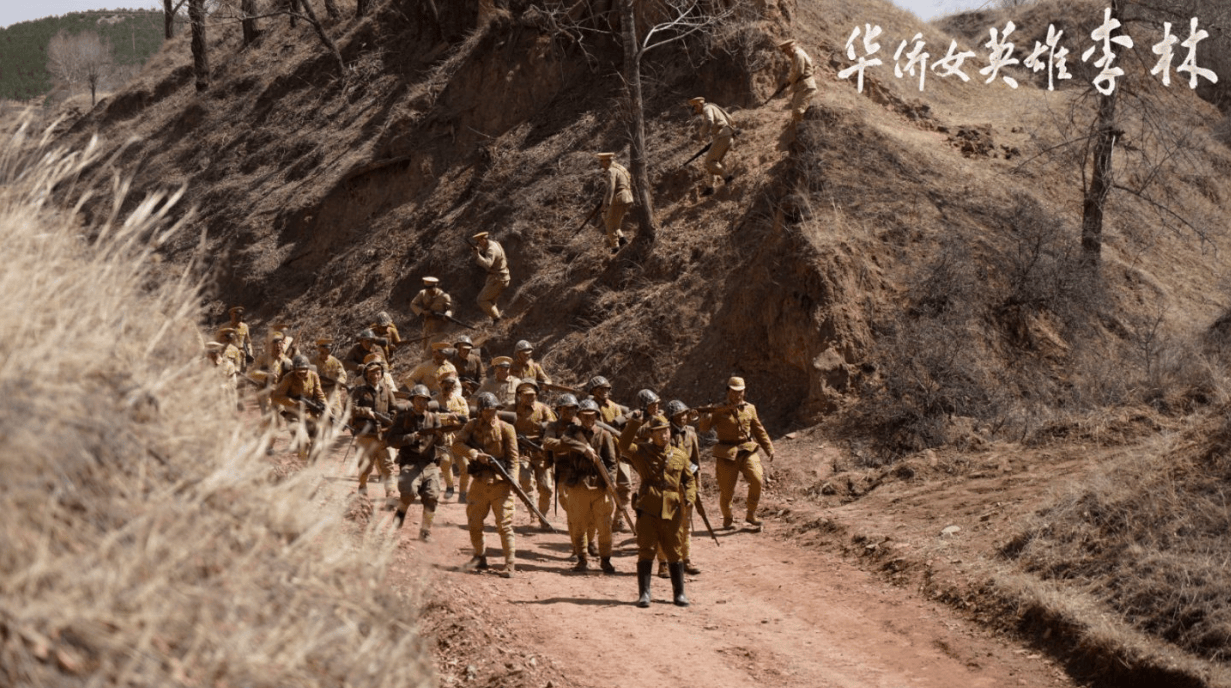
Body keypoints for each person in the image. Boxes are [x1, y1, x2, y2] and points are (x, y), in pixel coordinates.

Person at [618, 415, 696, 607]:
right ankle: (644, 594)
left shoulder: (680, 455)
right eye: (659, 432)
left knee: (675, 550)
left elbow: (689, 479)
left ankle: (679, 594)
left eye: (666, 431)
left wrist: (690, 497)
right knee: (646, 549)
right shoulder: (641, 451)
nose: (664, 435)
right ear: (651, 434)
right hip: (648, 507)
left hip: (672, 509)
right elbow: (623, 446)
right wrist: (634, 423)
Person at [453, 392, 520, 578]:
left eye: (494, 410)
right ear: (480, 411)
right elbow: (456, 444)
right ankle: (479, 557)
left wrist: (513, 480)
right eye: (488, 410)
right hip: (479, 481)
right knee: (474, 522)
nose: (492, 414)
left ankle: (510, 564)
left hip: (500, 483)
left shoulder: (506, 428)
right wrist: (475, 454)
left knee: (504, 524)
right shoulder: (471, 426)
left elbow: (514, 458)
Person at [697, 376, 774, 532]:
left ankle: (751, 514)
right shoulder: (718, 409)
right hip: (726, 452)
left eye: (740, 392)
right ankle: (728, 517)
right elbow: (704, 428)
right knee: (727, 490)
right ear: (728, 391)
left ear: (744, 392)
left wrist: (769, 448)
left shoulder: (750, 408)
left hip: (747, 449)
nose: (737, 395)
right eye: (734, 391)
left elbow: (758, 429)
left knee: (757, 478)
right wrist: (705, 417)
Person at [558, 399, 619, 574]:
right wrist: (583, 448)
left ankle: (605, 560)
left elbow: (612, 463)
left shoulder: (604, 435)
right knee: (578, 525)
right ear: (579, 416)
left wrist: (610, 481)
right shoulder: (572, 432)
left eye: (591, 416)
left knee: (604, 526)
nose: (588, 419)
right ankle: (582, 559)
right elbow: (563, 441)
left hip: (600, 485)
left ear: (596, 416)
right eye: (584, 416)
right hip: (578, 484)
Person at [387, 384, 445, 540]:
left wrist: (441, 436)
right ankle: (398, 520)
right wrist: (412, 437)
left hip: (429, 463)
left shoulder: (434, 418)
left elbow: (441, 443)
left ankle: (425, 531)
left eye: (425, 400)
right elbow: (391, 440)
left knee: (432, 496)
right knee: (408, 493)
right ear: (412, 400)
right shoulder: (402, 418)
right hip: (409, 462)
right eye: (418, 399)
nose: (422, 403)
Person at [542, 394, 594, 559]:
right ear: (559, 410)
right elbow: (547, 442)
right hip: (564, 472)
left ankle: (588, 542)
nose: (569, 412)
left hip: (583, 471)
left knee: (590, 510)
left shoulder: (581, 423)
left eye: (572, 409)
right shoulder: (553, 426)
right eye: (565, 409)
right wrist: (570, 445)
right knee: (572, 511)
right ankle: (577, 547)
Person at [658, 399, 703, 576]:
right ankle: (663, 563)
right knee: (665, 525)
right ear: (671, 417)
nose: (683, 417)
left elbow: (696, 461)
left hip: (687, 484)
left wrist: (697, 487)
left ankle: (686, 559)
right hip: (668, 485)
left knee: (686, 525)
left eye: (685, 414)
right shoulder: (664, 433)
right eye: (679, 415)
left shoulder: (691, 432)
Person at [350, 358, 398, 507]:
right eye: (372, 373)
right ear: (366, 375)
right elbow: (351, 408)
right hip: (366, 436)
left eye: (378, 373)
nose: (375, 376)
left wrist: (389, 421)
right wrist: (367, 412)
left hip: (383, 435)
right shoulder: (359, 391)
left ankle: (390, 494)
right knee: (366, 466)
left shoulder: (387, 391)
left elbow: (394, 410)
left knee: (388, 466)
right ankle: (362, 489)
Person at [587, 375, 632, 531]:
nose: (604, 391)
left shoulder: (614, 407)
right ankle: (598, 521)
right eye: (600, 389)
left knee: (625, 486)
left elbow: (621, 429)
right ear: (593, 391)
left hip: (618, 451)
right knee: (600, 488)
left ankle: (618, 520)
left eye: (606, 388)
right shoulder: (588, 407)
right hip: (598, 452)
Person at [511, 380, 557, 526]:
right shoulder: (512, 409)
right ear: (519, 395)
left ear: (536, 395)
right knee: (525, 481)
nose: (529, 398)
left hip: (541, 453)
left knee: (546, 488)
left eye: (532, 395)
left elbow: (552, 428)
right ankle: (533, 514)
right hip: (522, 453)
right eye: (525, 395)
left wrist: (545, 443)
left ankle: (543, 516)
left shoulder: (543, 409)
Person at [271, 354, 330, 459]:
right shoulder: (288, 378)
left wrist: (327, 408)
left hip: (310, 414)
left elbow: (320, 394)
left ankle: (309, 466)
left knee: (317, 446)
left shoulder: (313, 376)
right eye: (299, 371)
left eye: (304, 371)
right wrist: (294, 402)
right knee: (304, 442)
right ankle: (302, 464)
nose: (302, 373)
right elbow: (277, 396)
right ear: (294, 370)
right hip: (293, 415)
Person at [688, 96, 736, 195]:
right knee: (714, 162)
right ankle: (710, 187)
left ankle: (727, 177)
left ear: (700, 104)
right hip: (728, 135)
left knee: (709, 162)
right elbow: (730, 118)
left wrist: (702, 133)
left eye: (696, 107)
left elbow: (709, 121)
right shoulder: (714, 107)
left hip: (722, 135)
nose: (696, 110)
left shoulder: (707, 108)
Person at [437, 375, 471, 501]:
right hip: (443, 438)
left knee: (465, 466)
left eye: (451, 386)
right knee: (445, 461)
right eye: (445, 385)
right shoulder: (435, 400)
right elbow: (432, 416)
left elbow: (465, 417)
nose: (448, 388)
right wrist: (448, 417)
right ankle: (450, 486)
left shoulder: (460, 400)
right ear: (440, 385)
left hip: (458, 438)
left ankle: (463, 493)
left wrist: (455, 418)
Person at [470, 232, 509, 323]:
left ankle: (497, 319)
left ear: (484, 239)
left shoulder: (491, 249)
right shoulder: (494, 243)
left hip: (498, 279)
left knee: (481, 300)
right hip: (501, 277)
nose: (479, 244)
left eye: (479, 241)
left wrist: (477, 255)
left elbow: (488, 264)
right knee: (491, 301)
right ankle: (497, 320)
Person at [597, 152, 632, 253]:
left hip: (618, 198)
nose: (601, 164)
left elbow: (611, 188)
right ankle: (622, 240)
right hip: (627, 197)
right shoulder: (621, 168)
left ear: (606, 162)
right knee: (615, 222)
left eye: (602, 162)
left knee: (608, 221)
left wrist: (606, 203)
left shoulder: (611, 171)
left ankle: (615, 247)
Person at [409, 277, 454, 352]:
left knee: (433, 350)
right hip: (427, 325)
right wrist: (423, 312)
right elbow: (413, 304)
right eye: (426, 288)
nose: (428, 290)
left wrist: (447, 315)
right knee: (425, 347)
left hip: (440, 327)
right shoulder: (423, 293)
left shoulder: (444, 297)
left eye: (430, 288)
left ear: (435, 286)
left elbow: (450, 309)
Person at [779, 38, 818, 123]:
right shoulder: (798, 53)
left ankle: (801, 128)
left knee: (797, 111)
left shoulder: (798, 54)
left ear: (789, 48)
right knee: (797, 109)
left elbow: (799, 72)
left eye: (785, 51)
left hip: (806, 87)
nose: (786, 54)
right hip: (803, 86)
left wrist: (789, 81)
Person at [311, 337, 348, 416]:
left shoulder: (335, 361)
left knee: (336, 412)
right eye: (322, 352)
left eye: (327, 352)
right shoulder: (313, 361)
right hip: (318, 389)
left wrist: (339, 381)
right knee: (318, 412)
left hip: (332, 389)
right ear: (319, 350)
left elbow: (343, 374)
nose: (325, 355)